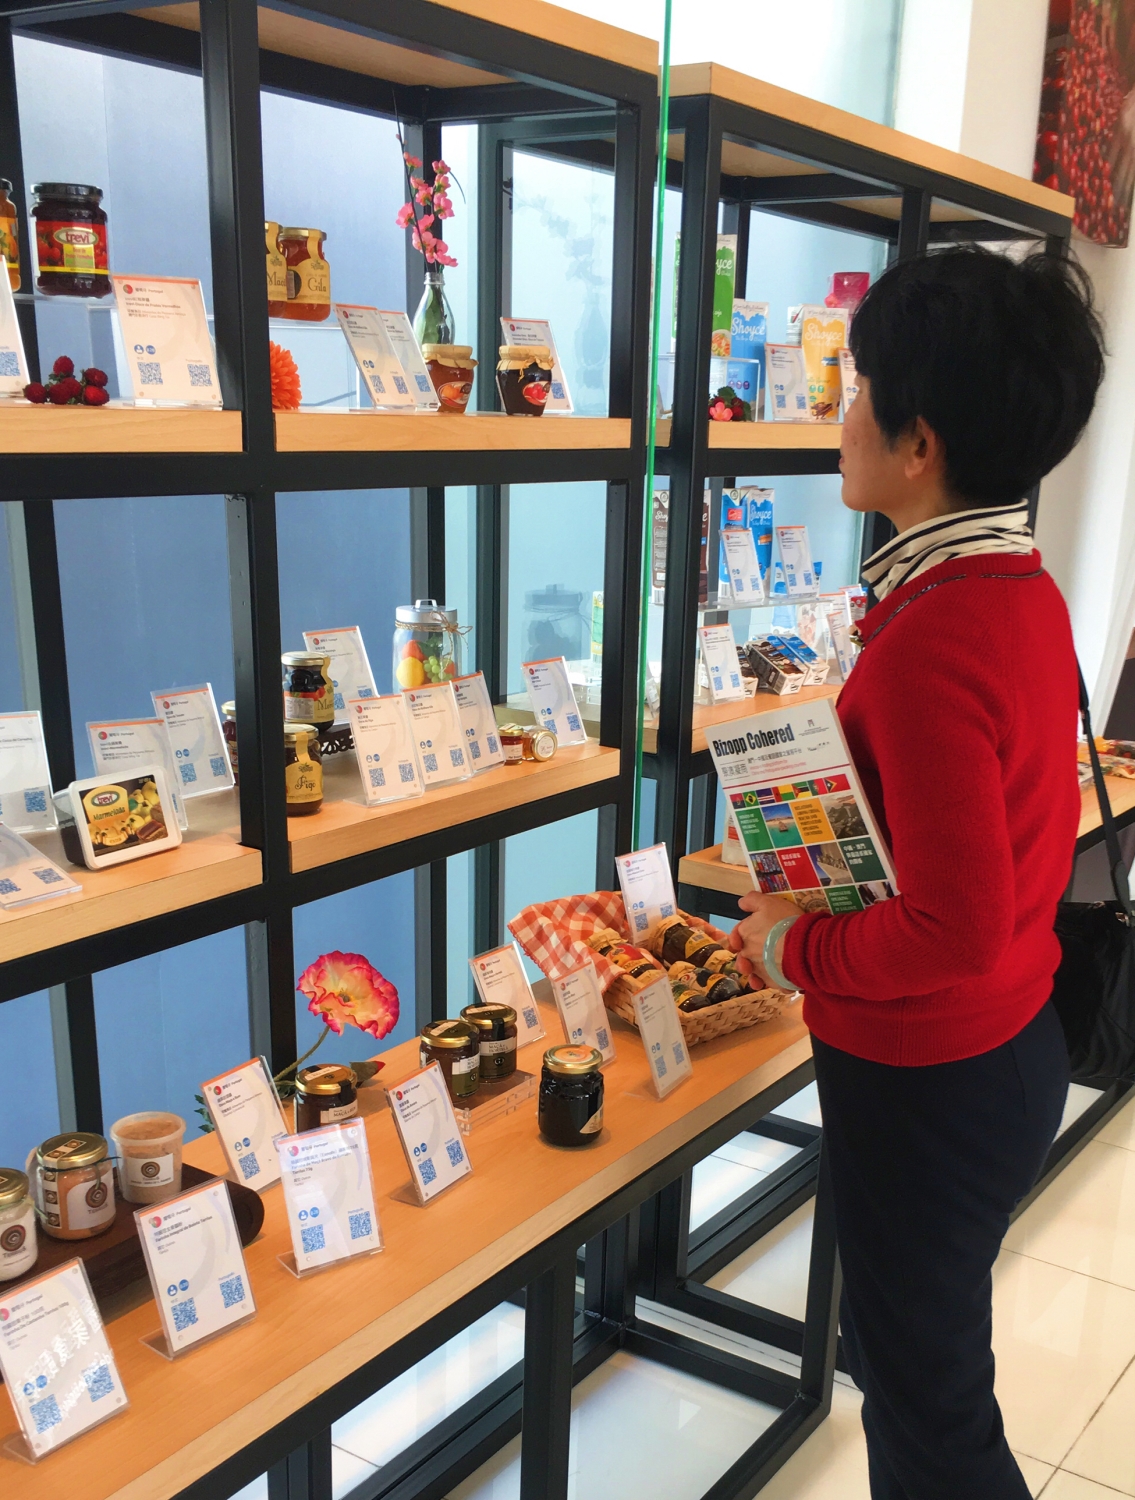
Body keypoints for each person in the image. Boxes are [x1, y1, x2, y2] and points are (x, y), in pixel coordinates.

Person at [728, 245, 1105, 1500]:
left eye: (858, 388)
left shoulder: (934, 634)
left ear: (919, 443)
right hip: (999, 1051)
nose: (841, 414)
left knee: (928, 1417)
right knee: (915, 1375)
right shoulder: (1013, 585)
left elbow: (950, 925)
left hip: (931, 1080)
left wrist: (788, 946)